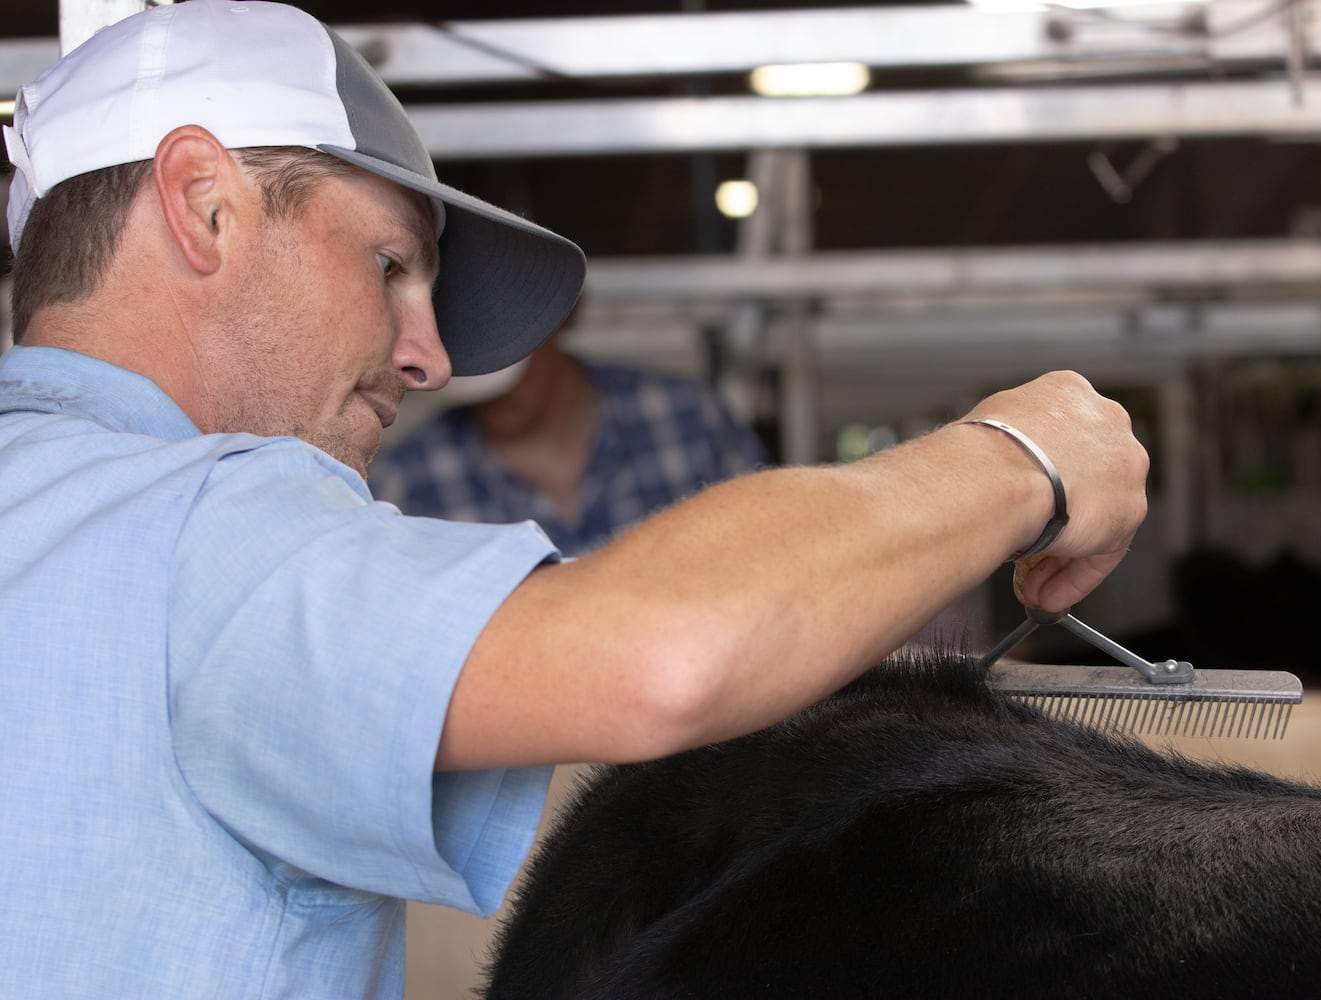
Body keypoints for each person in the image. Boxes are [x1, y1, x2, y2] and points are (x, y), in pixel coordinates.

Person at [0, 2, 1148, 998]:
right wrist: (1021, 453)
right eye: (389, 264)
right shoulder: (193, 527)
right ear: (205, 206)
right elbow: (661, 657)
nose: (430, 358)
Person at [370, 320, 769, 555]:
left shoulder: (691, 421)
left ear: (558, 319)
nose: (491, 393)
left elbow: (772, 559)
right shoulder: (406, 487)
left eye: (503, 363)